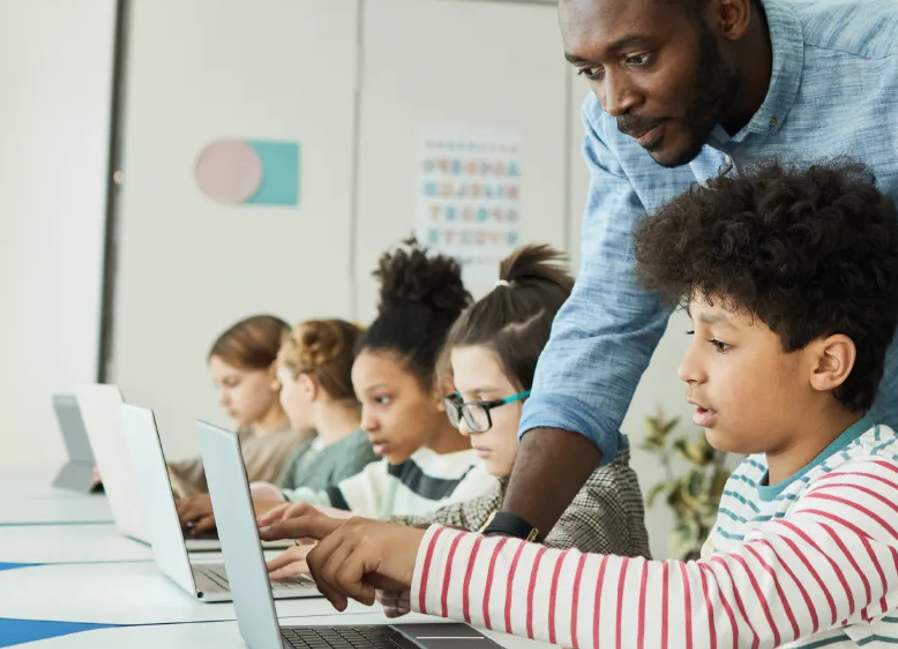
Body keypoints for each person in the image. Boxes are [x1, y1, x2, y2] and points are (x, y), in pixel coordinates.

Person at [481, 0, 898, 617]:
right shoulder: (623, 131)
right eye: (589, 70)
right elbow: (604, 325)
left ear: (728, 11)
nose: (615, 99)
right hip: (814, 478)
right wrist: (510, 538)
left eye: (638, 57)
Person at [265, 162, 898, 647]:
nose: (689, 368)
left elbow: (710, 611)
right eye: (691, 334)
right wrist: (401, 558)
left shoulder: (884, 488)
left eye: (723, 344)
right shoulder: (755, 485)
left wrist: (430, 559)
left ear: (827, 361)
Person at [265, 245, 649, 581]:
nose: (467, 428)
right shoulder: (511, 485)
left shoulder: (597, 495)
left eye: (482, 403)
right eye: (462, 405)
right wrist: (343, 531)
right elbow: (450, 525)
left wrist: (409, 571)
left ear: (552, 398)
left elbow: (524, 578)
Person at [252, 240, 497, 523]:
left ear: (441, 389)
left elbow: (416, 542)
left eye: (382, 400)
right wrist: (253, 500)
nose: (366, 422)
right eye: (362, 402)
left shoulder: (485, 475)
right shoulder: (402, 467)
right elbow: (317, 504)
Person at [173, 315, 311, 531]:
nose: (222, 398)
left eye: (232, 383)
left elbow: (210, 496)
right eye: (218, 386)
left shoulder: (297, 441)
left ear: (275, 374)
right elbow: (194, 469)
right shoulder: (249, 432)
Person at [274, 319, 379, 490]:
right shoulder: (305, 452)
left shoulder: (360, 452)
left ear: (308, 386)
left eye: (283, 384)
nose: (281, 397)